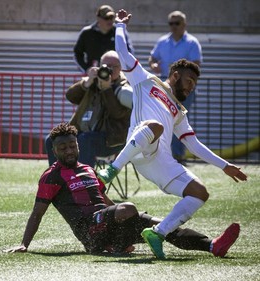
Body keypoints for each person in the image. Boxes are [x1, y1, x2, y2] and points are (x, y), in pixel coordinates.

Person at [97, 10, 247, 259]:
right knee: (155, 125)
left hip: (159, 161)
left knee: (200, 193)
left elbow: (194, 144)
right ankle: (112, 169)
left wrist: (224, 165)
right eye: (189, 80)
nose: (191, 86)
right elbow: (122, 53)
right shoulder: (146, 80)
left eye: (194, 84)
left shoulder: (179, 111)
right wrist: (121, 26)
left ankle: (158, 232)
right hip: (138, 145)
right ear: (175, 75)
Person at [6, 123, 240, 257]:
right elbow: (37, 213)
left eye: (71, 145)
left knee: (161, 227)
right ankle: (114, 245)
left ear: (77, 145)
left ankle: (212, 245)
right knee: (127, 208)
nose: (68, 150)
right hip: (89, 232)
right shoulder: (52, 176)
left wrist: (132, 218)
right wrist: (25, 244)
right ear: (54, 151)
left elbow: (104, 199)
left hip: (110, 223)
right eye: (62, 147)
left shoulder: (88, 169)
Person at [45, 50, 132, 167]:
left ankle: (84, 181)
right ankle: (58, 179)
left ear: (121, 68)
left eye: (114, 66)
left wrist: (107, 89)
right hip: (85, 134)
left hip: (111, 140)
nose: (109, 70)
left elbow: (117, 114)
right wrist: (87, 82)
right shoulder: (93, 82)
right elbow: (70, 96)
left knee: (84, 140)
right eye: (106, 66)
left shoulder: (124, 87)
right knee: (53, 139)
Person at [148, 11, 203, 164]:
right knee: (164, 120)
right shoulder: (162, 41)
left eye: (177, 23)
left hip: (184, 90)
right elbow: (152, 57)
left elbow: (196, 65)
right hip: (165, 87)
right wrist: (153, 65)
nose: (173, 26)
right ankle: (164, 155)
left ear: (184, 25)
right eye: (171, 23)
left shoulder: (192, 43)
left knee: (178, 121)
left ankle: (178, 156)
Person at [73, 5, 134, 73]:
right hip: (95, 75)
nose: (110, 21)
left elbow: (129, 52)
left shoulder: (119, 32)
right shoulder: (87, 33)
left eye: (112, 17)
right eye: (106, 18)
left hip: (116, 74)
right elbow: (77, 54)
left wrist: (123, 69)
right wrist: (87, 69)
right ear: (98, 18)